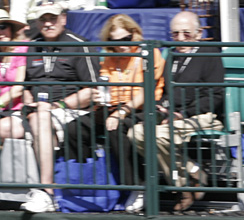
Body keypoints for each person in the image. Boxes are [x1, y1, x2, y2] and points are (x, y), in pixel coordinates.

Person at [126, 11, 223, 213]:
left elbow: (214, 95)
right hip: (173, 115)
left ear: (198, 34)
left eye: (186, 34)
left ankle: (180, 187)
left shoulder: (209, 53)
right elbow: (168, 92)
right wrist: (163, 107)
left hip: (203, 116)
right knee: (135, 133)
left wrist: (183, 114)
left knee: (159, 135)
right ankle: (193, 173)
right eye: (175, 34)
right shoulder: (173, 56)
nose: (180, 39)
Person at [62, 14, 166, 192]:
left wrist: (122, 112)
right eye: (116, 41)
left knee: (116, 127)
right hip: (112, 108)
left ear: (135, 33)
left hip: (143, 108)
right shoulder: (109, 58)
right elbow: (105, 86)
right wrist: (98, 97)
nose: (122, 45)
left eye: (127, 39)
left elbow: (147, 91)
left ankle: (135, 187)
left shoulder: (148, 52)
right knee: (75, 128)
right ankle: (83, 181)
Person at [20, 0, 98, 213]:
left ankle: (47, 192)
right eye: (43, 19)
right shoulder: (31, 46)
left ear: (63, 19)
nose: (47, 23)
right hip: (34, 109)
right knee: (5, 127)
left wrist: (58, 105)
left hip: (70, 111)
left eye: (52, 18)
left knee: (41, 118)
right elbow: (25, 84)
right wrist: (28, 100)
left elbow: (92, 91)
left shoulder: (79, 44)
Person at [0, 11, 30, 136]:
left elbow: (18, 87)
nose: (0, 32)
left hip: (16, 110)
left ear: (11, 29)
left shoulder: (22, 49)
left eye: (3, 27)